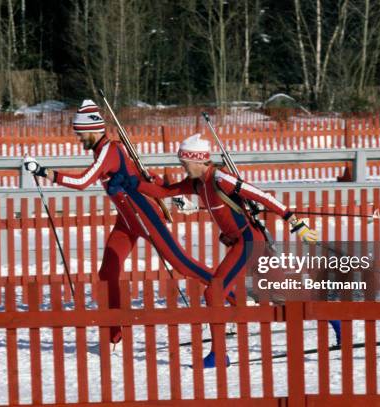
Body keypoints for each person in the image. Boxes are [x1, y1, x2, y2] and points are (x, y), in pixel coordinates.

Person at [139, 133, 340, 367]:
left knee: (214, 293)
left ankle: (218, 355)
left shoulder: (220, 178)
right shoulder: (197, 183)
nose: (182, 168)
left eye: (184, 163)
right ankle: (335, 318)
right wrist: (134, 181)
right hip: (243, 243)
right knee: (283, 295)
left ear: (198, 160)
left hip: (249, 242)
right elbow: (164, 192)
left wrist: (296, 223)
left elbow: (262, 196)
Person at [23, 100, 214, 344]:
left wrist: (44, 172)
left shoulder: (108, 151)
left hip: (143, 215)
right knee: (108, 271)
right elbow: (139, 172)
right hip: (126, 221)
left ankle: (231, 292)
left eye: (80, 134)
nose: (78, 139)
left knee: (182, 264)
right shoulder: (106, 150)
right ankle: (115, 335)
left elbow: (82, 182)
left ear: (92, 130)